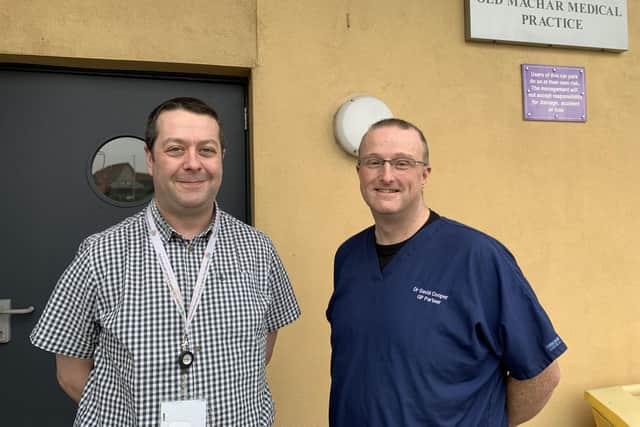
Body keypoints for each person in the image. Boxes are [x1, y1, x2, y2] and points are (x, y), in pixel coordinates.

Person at [31, 97, 301, 426]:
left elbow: (263, 349)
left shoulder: (259, 250)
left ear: (222, 158)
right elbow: (70, 373)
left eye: (206, 150)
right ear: (150, 158)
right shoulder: (99, 254)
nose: (193, 163)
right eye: (175, 149)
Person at [326, 118, 566, 426]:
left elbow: (543, 373)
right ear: (359, 172)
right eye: (374, 162)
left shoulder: (477, 257)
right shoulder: (348, 258)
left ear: (424, 174)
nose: (386, 175)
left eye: (402, 163)